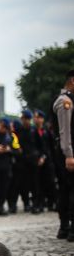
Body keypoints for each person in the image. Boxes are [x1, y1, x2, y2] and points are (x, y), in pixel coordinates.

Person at [51, 69, 74, 241]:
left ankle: (66, 228)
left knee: (67, 190)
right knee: (68, 190)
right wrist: (69, 154)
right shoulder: (65, 101)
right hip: (67, 153)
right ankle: (68, 227)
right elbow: (65, 131)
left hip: (67, 152)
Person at [34, 109, 57, 211]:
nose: (36, 119)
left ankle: (51, 203)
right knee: (38, 184)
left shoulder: (47, 131)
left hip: (48, 162)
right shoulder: (32, 131)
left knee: (50, 183)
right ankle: (39, 204)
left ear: (42, 119)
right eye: (35, 117)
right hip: (36, 162)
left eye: (38, 117)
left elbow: (51, 147)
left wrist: (47, 157)